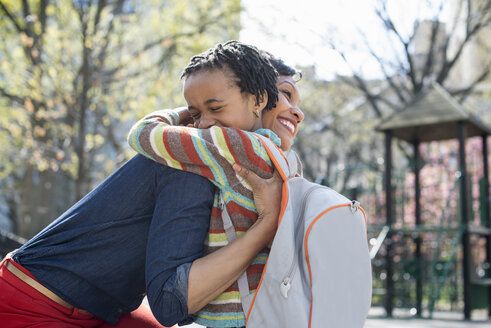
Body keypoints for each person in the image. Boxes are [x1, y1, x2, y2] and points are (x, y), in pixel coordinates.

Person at [0, 41, 302, 328]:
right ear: (260, 98)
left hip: (98, 306)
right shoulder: (193, 157)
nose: (294, 110)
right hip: (33, 301)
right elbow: (170, 303)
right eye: (284, 93)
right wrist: (268, 223)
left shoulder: (256, 167)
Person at [127, 41, 304, 327]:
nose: (204, 123)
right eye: (197, 114)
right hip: (270, 303)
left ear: (259, 98)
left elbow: (143, 135)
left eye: (215, 106)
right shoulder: (288, 162)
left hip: (234, 310)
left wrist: (183, 113)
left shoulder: (231, 145)